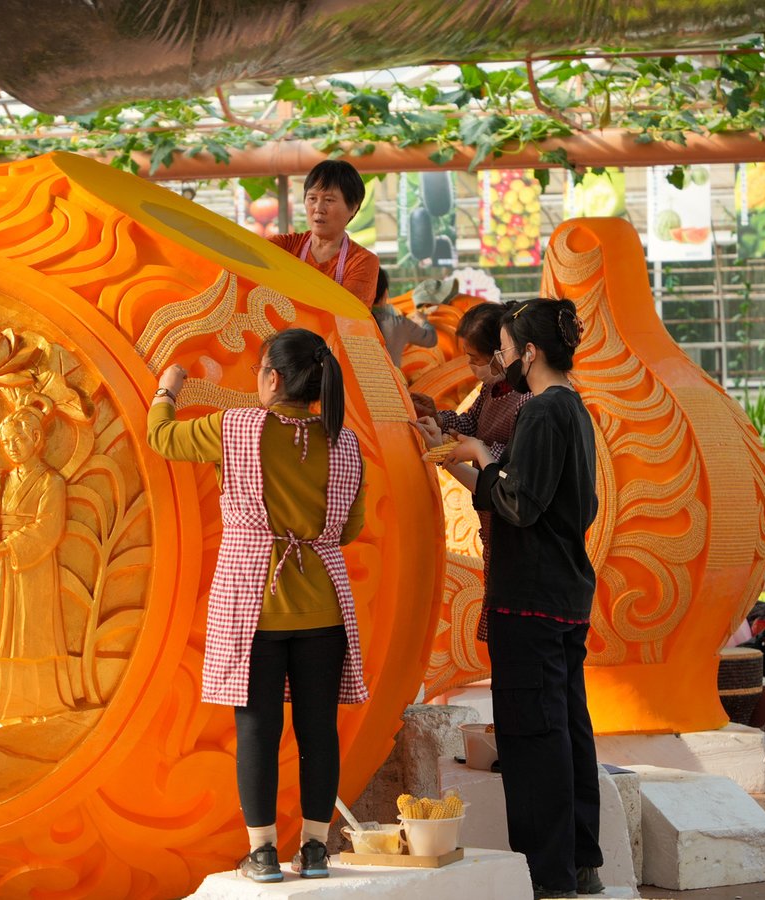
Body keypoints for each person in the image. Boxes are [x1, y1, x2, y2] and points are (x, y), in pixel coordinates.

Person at [147, 329, 367, 883]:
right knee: (319, 732)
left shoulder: (235, 428)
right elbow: (349, 528)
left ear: (272, 378)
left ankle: (263, 853)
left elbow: (161, 437)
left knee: (257, 732)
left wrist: (168, 388)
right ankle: (315, 850)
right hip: (324, 608)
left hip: (252, 605)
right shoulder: (344, 442)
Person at [414, 298, 603, 899]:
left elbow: (518, 503)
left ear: (531, 352)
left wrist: (478, 454)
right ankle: (579, 861)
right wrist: (457, 456)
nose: (500, 361)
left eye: (505, 350)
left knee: (533, 737)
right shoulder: (572, 408)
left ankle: (549, 875)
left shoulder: (542, 411)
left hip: (530, 596)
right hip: (561, 592)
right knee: (566, 727)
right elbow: (537, 498)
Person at [415, 300, 530, 641]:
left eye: (475, 358)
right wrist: (438, 418)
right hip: (490, 510)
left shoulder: (528, 400)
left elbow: (511, 459)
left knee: (514, 610)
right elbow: (470, 423)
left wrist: (470, 451)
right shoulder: (492, 388)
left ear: (501, 352)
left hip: (509, 507)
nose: (470, 366)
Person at [0, 405, 74, 724]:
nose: (12, 447)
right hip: (9, 569)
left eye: (18, 439)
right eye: (6, 442)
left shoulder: (51, 482)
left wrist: (8, 546)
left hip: (35, 565)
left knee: (34, 634)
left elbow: (48, 528)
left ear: (35, 438)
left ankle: (43, 706)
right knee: (8, 635)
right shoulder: (4, 482)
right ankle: (10, 707)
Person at [269, 160, 379, 308]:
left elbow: (348, 314)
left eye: (329, 200)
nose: (318, 208)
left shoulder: (362, 262)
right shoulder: (282, 247)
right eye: (312, 198)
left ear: (353, 207)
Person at [370, 268, 438, 366]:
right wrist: (423, 320)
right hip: (390, 377)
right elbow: (431, 339)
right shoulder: (399, 324)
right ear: (385, 294)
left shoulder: (349, 321)